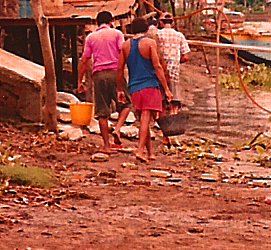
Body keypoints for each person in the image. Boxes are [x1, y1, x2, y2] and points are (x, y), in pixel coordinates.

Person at [117, 17, 172, 163]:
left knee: (143, 119)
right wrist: (166, 88)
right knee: (146, 117)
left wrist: (119, 89)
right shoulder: (150, 43)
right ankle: (140, 150)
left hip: (134, 87)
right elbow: (157, 67)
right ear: (147, 29)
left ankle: (150, 152)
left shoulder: (125, 45)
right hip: (149, 85)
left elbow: (120, 69)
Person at [77, 10, 124, 153]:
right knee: (126, 104)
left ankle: (106, 146)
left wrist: (80, 80)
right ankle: (117, 129)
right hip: (115, 73)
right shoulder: (117, 34)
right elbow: (123, 52)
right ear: (111, 22)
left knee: (102, 112)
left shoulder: (91, 37)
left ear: (97, 23)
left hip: (99, 75)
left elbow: (84, 60)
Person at [156, 13, 190, 115]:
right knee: (174, 101)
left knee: (161, 100)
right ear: (172, 23)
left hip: (160, 71)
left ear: (161, 22)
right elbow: (186, 56)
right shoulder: (179, 36)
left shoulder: (157, 34)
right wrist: (177, 61)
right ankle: (173, 116)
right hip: (174, 72)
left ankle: (160, 120)